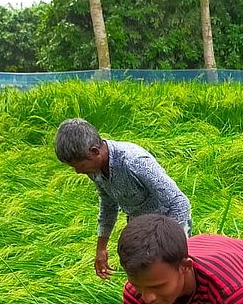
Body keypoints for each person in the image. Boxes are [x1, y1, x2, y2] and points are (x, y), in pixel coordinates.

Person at [55, 118, 192, 279]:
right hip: (139, 225)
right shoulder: (95, 168)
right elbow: (108, 205)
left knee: (172, 278)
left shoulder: (134, 162)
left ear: (94, 151)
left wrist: (165, 242)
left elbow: (179, 203)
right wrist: (101, 248)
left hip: (170, 223)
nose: (77, 171)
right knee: (140, 277)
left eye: (78, 165)